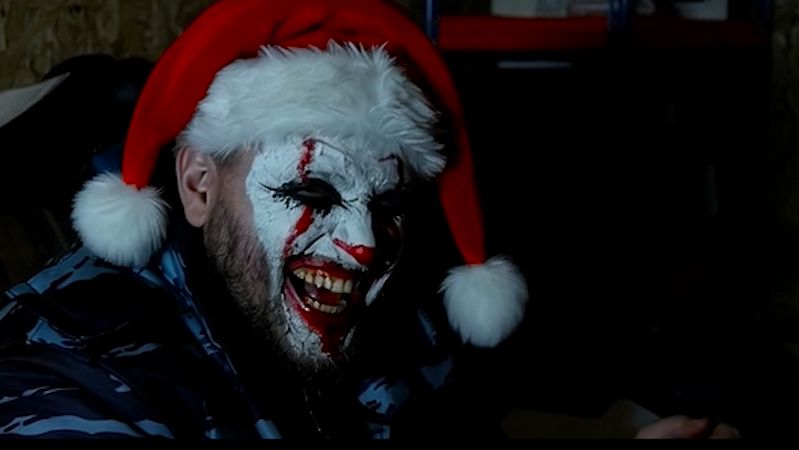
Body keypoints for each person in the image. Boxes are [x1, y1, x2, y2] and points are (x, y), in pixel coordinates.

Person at [0, 0, 737, 439]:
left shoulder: (399, 323)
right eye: (313, 195)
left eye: (386, 207)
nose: (363, 247)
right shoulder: (71, 375)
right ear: (198, 185)